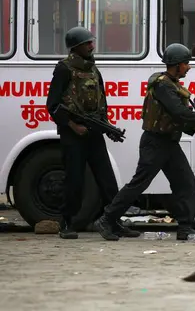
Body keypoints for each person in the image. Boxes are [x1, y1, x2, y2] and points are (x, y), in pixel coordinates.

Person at [94, 43, 195, 241]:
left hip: (168, 143)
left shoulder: (172, 85)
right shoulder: (162, 85)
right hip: (155, 143)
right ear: (176, 65)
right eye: (186, 63)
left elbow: (174, 117)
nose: (189, 67)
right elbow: (177, 111)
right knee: (139, 184)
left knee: (185, 182)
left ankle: (185, 227)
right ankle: (107, 219)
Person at [46, 26, 140, 240]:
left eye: (91, 42)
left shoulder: (93, 69)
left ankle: (113, 222)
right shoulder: (64, 69)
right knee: (75, 180)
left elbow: (102, 101)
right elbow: (52, 105)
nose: (92, 45)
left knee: (107, 180)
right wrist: (72, 126)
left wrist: (106, 126)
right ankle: (67, 223)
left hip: (93, 132)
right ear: (76, 46)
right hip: (73, 134)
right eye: (87, 43)